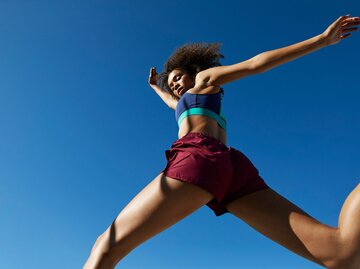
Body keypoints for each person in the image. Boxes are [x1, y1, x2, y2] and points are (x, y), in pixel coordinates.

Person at [83, 15, 360, 269]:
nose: (176, 84)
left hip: (199, 158)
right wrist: (156, 86)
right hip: (231, 170)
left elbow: (255, 64)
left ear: (195, 71)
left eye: (179, 77)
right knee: (341, 252)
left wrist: (322, 40)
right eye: (173, 83)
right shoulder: (188, 104)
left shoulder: (205, 80)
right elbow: (172, 103)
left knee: (105, 247)